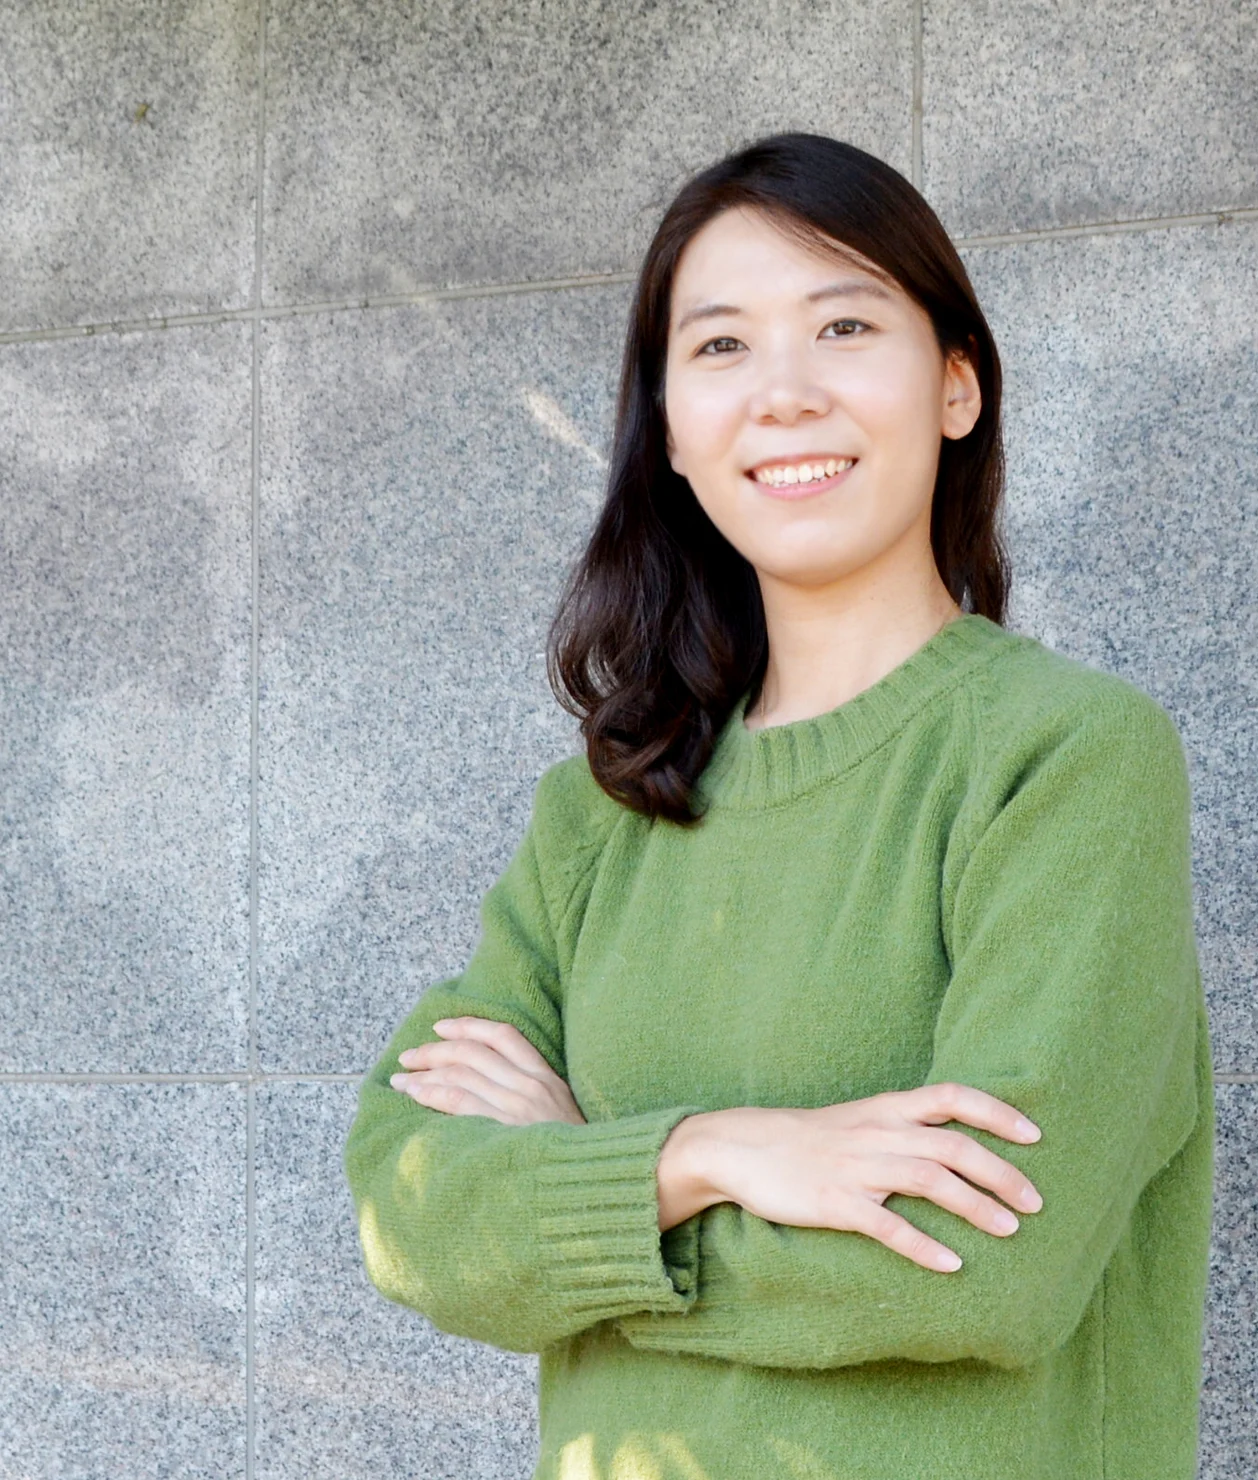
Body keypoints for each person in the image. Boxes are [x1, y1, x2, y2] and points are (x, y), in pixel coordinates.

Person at [343, 132, 1214, 1480]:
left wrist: (590, 1189)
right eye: (721, 347)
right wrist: (716, 1153)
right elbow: (410, 1207)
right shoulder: (601, 816)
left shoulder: (1066, 760)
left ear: (956, 388)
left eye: (846, 324)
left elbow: (981, 1268)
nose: (785, 395)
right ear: (673, 436)